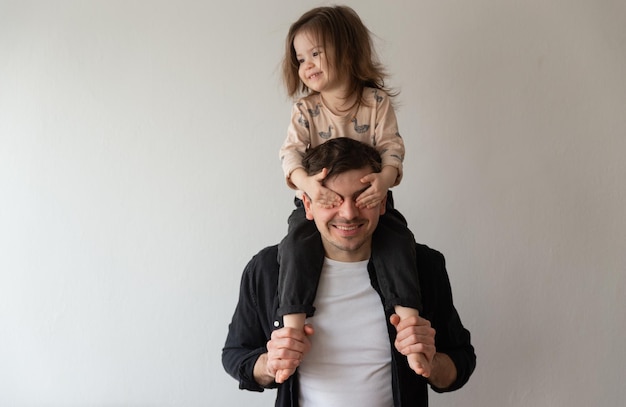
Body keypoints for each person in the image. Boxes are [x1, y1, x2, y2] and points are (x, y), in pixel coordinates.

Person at [223, 138, 476, 406]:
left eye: (362, 197)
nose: (348, 213)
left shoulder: (423, 265)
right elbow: (235, 354)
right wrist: (269, 364)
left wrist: (431, 361)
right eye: (331, 199)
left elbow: (461, 362)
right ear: (308, 205)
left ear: (381, 202)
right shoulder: (267, 269)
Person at [277, 5, 424, 383]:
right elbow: (290, 152)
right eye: (300, 58)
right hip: (318, 201)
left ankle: (410, 328)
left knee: (400, 244)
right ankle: (292, 326)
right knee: (294, 246)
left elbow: (392, 146)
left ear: (347, 50)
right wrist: (306, 184)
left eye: (316, 53)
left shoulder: (375, 103)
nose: (307, 65)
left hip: (372, 199)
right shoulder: (306, 108)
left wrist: (386, 179)